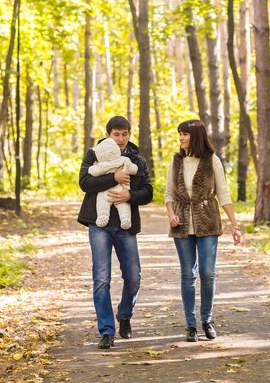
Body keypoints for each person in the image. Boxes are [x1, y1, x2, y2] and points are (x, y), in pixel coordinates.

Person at [77, 116, 153, 349]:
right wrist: (114, 178)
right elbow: (85, 182)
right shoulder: (94, 154)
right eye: (116, 134)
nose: (120, 139)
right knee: (102, 279)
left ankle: (125, 315)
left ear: (130, 134)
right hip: (98, 225)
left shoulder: (137, 160)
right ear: (108, 134)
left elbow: (148, 192)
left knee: (133, 278)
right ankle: (107, 331)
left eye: (124, 134)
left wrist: (130, 195)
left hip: (126, 226)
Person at [165, 119, 242, 342]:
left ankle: (206, 320)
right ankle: (191, 326)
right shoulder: (176, 161)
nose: (181, 138)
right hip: (181, 224)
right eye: (179, 134)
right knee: (188, 274)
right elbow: (169, 193)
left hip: (207, 220)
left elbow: (223, 194)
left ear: (195, 136)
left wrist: (234, 225)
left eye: (185, 134)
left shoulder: (212, 160)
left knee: (207, 273)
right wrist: (171, 214)